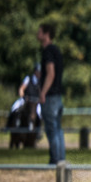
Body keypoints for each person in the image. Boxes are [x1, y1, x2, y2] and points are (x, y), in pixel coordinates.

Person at [37, 22, 66, 164]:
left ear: (46, 34)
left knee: (51, 130)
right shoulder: (57, 51)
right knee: (58, 129)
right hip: (58, 96)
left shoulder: (48, 51)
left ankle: (55, 160)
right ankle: (61, 161)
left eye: (40, 32)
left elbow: (51, 73)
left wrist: (43, 92)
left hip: (50, 97)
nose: (37, 34)